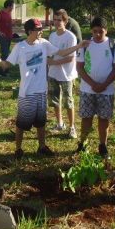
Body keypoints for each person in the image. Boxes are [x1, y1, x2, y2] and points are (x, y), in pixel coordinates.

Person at [0, 18, 88, 160]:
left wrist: (79, 46)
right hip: (27, 93)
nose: (41, 31)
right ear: (30, 31)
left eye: (41, 28)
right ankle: (18, 149)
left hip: (41, 90)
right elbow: (7, 65)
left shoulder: (44, 44)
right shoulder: (20, 47)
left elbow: (61, 52)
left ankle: (42, 147)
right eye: (38, 29)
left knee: (41, 122)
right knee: (21, 123)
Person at [76, 16, 115, 159]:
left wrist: (103, 85)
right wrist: (93, 84)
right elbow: (79, 67)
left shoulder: (113, 44)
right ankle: (83, 144)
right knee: (86, 118)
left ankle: (103, 145)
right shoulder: (85, 44)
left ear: (106, 30)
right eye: (94, 31)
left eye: (100, 32)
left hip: (107, 90)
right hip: (87, 90)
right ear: (91, 30)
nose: (97, 34)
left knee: (104, 119)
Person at [48, 9, 78, 139]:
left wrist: (53, 62)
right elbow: (49, 53)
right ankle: (60, 123)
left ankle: (72, 127)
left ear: (65, 21)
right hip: (53, 74)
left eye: (59, 20)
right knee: (54, 100)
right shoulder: (52, 36)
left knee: (68, 102)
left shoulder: (71, 37)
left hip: (67, 75)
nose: (57, 22)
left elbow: (70, 58)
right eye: (54, 19)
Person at [0, 0, 15, 76]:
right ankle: (2, 72)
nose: (13, 8)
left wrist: (13, 23)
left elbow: (7, 24)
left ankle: (6, 70)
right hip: (3, 37)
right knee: (4, 54)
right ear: (8, 6)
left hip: (9, 36)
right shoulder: (1, 13)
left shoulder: (9, 13)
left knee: (7, 54)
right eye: (12, 6)